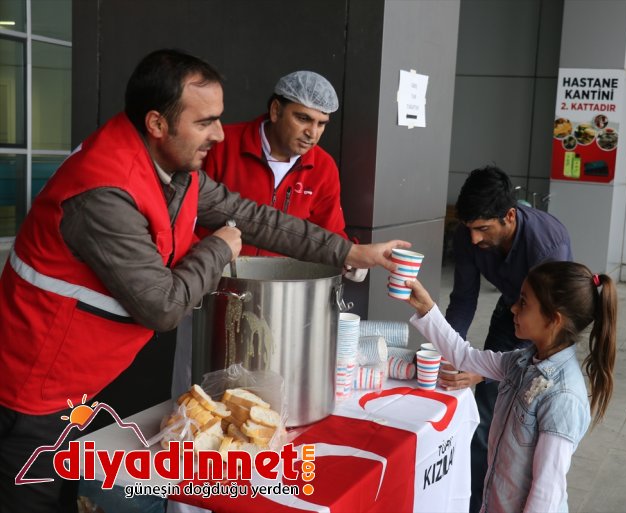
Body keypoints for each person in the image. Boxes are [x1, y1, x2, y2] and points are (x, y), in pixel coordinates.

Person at [0, 48, 407, 513]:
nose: (218, 134)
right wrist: (219, 247)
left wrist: (350, 251)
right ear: (156, 123)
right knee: (33, 499)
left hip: (85, 376)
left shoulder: (177, 168)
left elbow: (254, 217)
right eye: (205, 121)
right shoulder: (103, 191)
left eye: (219, 119)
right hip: (35, 388)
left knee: (77, 489)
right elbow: (163, 306)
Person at [406, 261, 617, 512]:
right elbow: (464, 357)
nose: (513, 308)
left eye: (524, 303)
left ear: (554, 320)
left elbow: (545, 493)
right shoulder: (520, 361)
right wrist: (427, 308)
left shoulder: (563, 396)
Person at [442, 166, 572, 511]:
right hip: (512, 308)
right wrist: (451, 350)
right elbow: (464, 299)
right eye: (469, 228)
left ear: (509, 216)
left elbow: (546, 326)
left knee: (522, 415)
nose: (474, 239)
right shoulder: (468, 234)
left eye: (483, 229)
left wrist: (485, 369)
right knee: (486, 413)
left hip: (545, 322)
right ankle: (475, 504)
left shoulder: (547, 246)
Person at [200, 70, 347, 256]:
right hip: (215, 278)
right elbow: (187, 219)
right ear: (276, 111)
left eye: (321, 124)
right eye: (303, 119)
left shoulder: (324, 167)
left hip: (284, 283)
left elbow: (331, 234)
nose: (313, 133)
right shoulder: (220, 145)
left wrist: (349, 259)